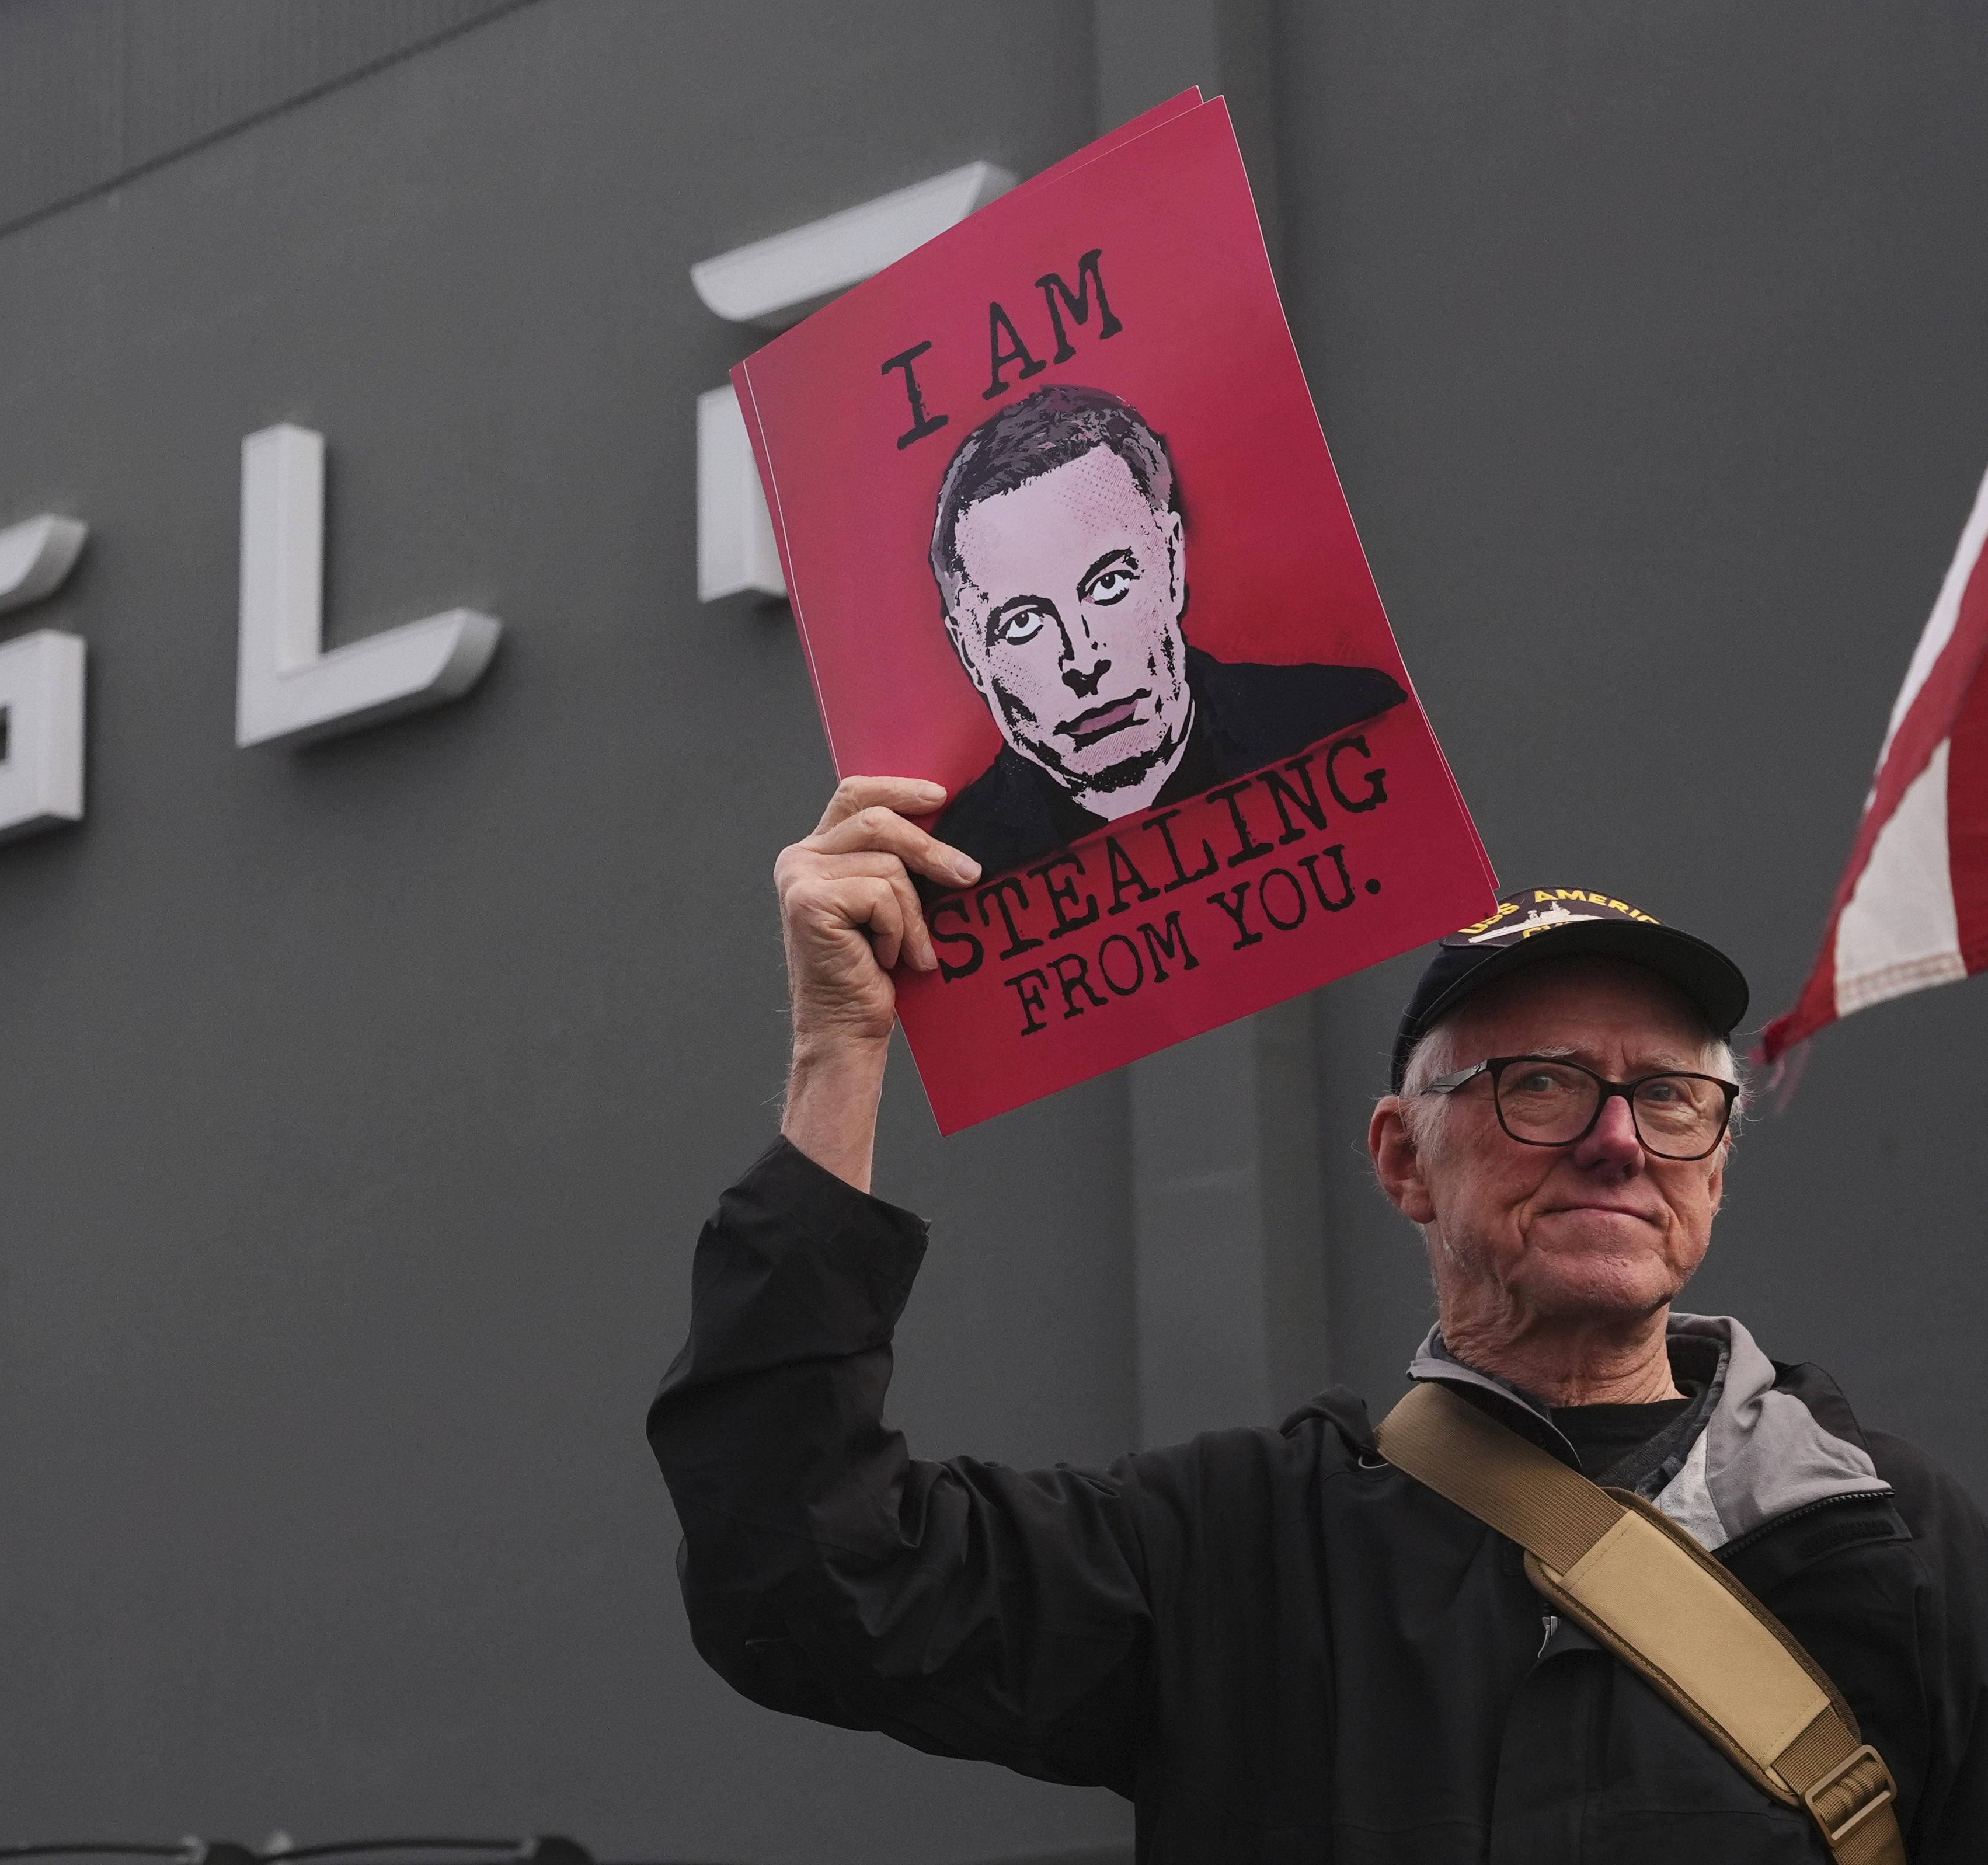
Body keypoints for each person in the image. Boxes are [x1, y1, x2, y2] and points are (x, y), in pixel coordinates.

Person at [646, 782, 1988, 1858]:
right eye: (1541, 1085)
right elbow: (806, 1578)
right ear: (1403, 1158)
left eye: (1672, 1096)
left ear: (1714, 1161)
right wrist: (841, 1048)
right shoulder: (1230, 1549)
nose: (1616, 1141)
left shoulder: (1896, 1540)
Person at [929, 385, 1404, 876]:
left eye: (1109, 584)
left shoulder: (1348, 720)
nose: (1084, 661)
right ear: (970, 654)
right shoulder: (949, 870)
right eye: (1023, 622)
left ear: (1171, 564)